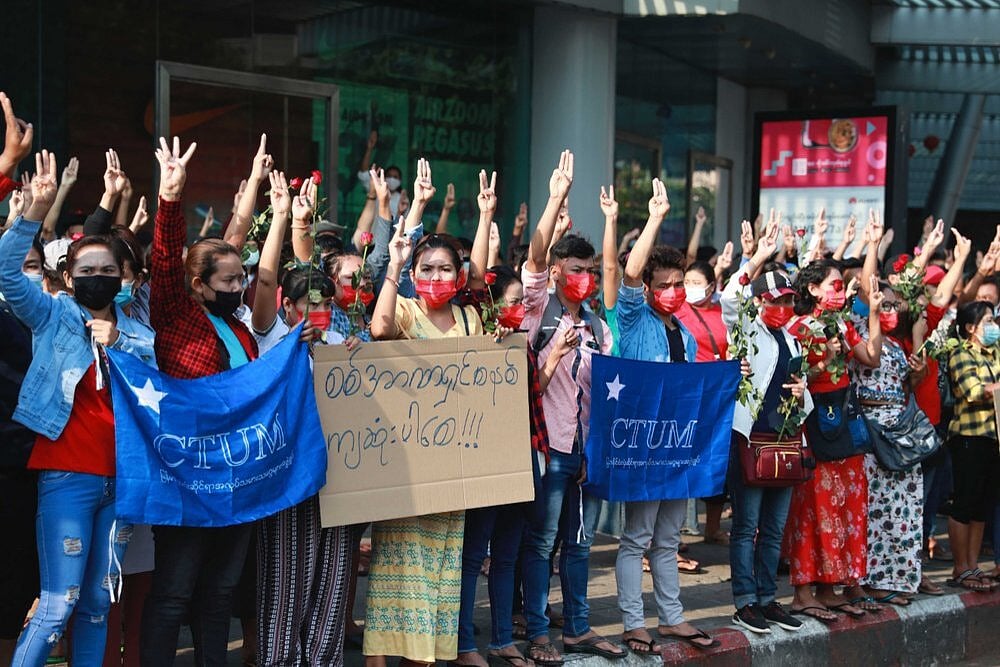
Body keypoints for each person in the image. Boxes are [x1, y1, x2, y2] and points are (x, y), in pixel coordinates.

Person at [1, 152, 156, 667]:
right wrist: (31, 213)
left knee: (95, 605)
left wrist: (119, 346)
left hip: (122, 484)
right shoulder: (51, 316)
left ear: (123, 279)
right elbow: (5, 272)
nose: (97, 277)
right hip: (66, 477)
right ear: (68, 278)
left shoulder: (138, 335)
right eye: (86, 270)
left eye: (107, 270)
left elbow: (158, 393)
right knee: (58, 603)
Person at [140, 137, 261, 666]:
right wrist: (170, 198)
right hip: (188, 476)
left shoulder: (242, 330)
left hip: (239, 477)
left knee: (218, 594)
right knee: (174, 592)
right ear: (198, 284)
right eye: (230, 280)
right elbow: (165, 261)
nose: (240, 286)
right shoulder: (177, 314)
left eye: (242, 277)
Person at [364, 158, 485, 667]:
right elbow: (377, 330)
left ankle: (425, 656)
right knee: (398, 566)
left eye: (445, 269)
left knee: (440, 569)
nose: (437, 276)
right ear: (414, 275)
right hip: (408, 467)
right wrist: (392, 266)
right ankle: (377, 657)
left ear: (460, 276)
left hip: (452, 470)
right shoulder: (407, 309)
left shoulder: (471, 316)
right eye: (426, 269)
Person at [519, 151, 620, 667]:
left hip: (584, 453)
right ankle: (538, 631)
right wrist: (556, 194)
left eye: (590, 271)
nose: (585, 277)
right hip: (547, 448)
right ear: (559, 272)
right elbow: (533, 261)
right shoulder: (540, 309)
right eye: (575, 270)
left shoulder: (599, 326)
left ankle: (578, 628)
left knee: (578, 546)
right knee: (540, 545)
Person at [614, 179, 718, 652]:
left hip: (679, 448)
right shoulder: (633, 318)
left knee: (669, 537)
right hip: (642, 444)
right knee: (636, 537)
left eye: (680, 284)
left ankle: (672, 618)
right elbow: (631, 272)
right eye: (665, 285)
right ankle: (634, 622)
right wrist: (655, 218)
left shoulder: (688, 336)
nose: (674, 291)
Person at [782, 252, 884, 622]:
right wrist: (824, 360)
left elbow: (870, 357)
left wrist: (873, 312)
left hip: (843, 416)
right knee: (813, 506)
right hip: (813, 420)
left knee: (846, 504)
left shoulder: (841, 325)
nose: (840, 293)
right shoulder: (798, 328)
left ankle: (830, 588)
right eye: (834, 286)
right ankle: (803, 591)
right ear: (812, 289)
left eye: (842, 287)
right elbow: (793, 378)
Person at [720, 225, 812, 634]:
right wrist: (757, 256)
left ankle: (767, 597)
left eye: (789, 301)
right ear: (760, 301)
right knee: (745, 526)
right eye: (777, 300)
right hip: (750, 439)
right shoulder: (746, 329)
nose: (784, 307)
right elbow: (729, 297)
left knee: (774, 529)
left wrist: (802, 390)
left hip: (787, 440)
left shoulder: (793, 341)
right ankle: (744, 601)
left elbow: (803, 399)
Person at [851, 283, 926, 606]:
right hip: (871, 431)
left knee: (904, 509)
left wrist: (919, 371)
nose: (892, 311)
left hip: (901, 432)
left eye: (896, 306)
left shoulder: (897, 345)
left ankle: (899, 577)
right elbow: (870, 359)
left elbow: (908, 384)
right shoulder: (858, 334)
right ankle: (871, 581)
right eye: (885, 305)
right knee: (874, 509)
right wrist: (871, 242)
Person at [945, 300, 1000, 591]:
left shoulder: (996, 353)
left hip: (994, 436)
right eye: (987, 321)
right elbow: (973, 391)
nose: (993, 327)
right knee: (964, 502)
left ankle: (973, 565)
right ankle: (960, 567)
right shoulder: (960, 354)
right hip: (969, 436)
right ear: (970, 328)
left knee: (982, 505)